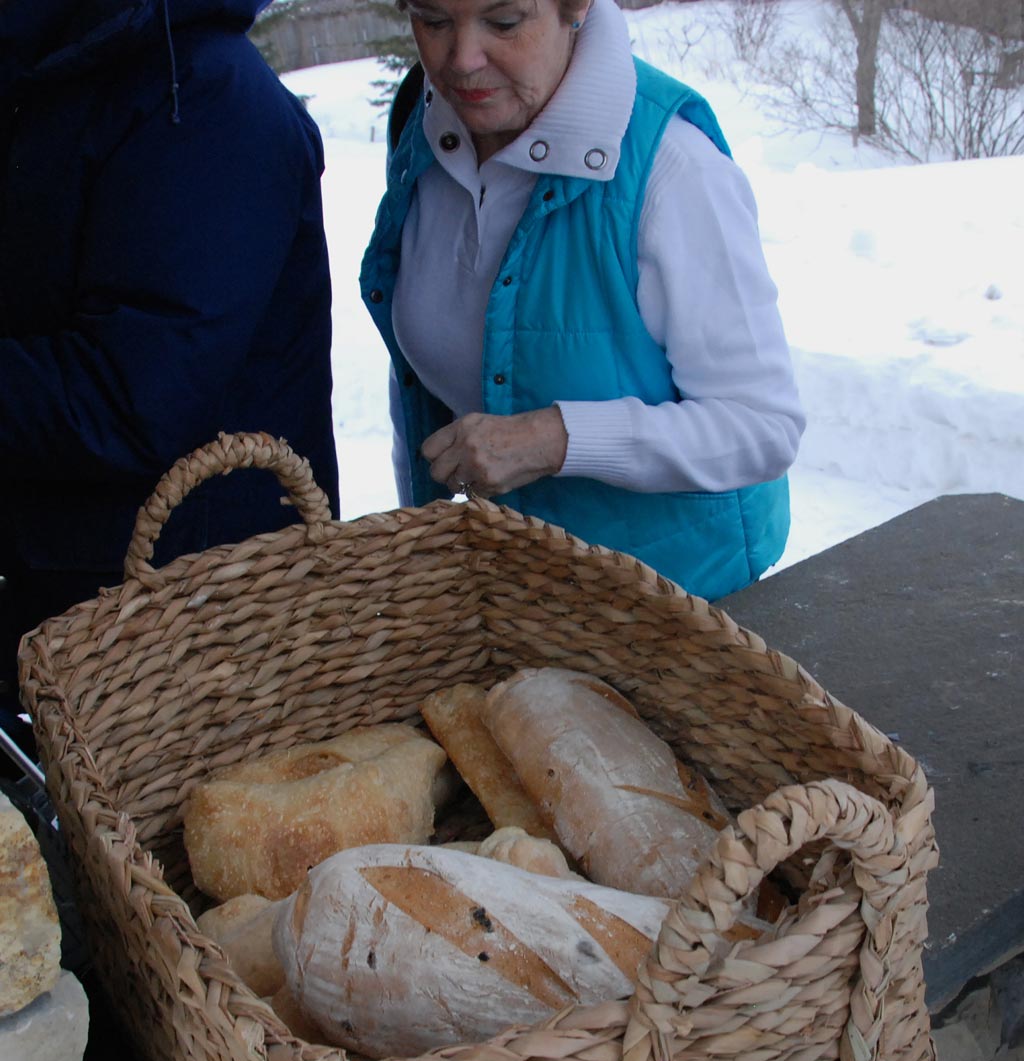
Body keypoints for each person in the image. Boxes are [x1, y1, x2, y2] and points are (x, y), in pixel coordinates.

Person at [362, 0, 805, 604]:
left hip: (675, 608)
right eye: (433, 21)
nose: (462, 60)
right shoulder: (425, 123)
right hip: (509, 593)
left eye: (504, 22)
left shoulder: (673, 169)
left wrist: (555, 439)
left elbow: (763, 427)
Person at [0, 0, 339, 742]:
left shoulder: (208, 98)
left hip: (190, 639)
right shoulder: (45, 77)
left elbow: (134, 400)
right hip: (61, 612)